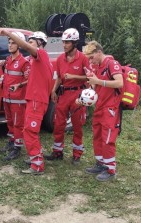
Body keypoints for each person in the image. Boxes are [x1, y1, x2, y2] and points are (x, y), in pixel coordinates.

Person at [0, 27, 53, 175]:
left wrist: (7, 33)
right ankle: (35, 158)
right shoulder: (34, 60)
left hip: (37, 100)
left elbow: (26, 48)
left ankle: (37, 165)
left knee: (29, 131)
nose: (28, 44)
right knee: (29, 131)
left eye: (31, 42)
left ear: (39, 44)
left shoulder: (42, 54)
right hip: (33, 99)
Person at [45, 28, 90, 165]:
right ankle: (57, 152)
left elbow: (89, 77)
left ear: (74, 43)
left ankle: (77, 154)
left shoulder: (82, 58)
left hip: (77, 94)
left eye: (67, 42)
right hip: (63, 94)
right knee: (58, 124)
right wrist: (53, 90)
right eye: (63, 42)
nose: (64, 45)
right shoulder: (60, 59)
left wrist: (74, 76)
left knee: (77, 125)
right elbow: (59, 77)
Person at [80, 40, 123, 181]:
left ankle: (110, 169)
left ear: (99, 52)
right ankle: (100, 163)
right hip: (99, 107)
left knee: (107, 139)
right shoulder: (96, 66)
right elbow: (94, 88)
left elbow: (119, 82)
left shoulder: (112, 63)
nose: (90, 61)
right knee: (97, 136)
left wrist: (99, 81)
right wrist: (84, 97)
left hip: (110, 108)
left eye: (91, 57)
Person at [0, 32, 30, 161]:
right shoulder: (7, 60)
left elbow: (30, 80)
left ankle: (17, 147)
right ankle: (12, 141)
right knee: (10, 122)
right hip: (7, 97)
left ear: (19, 45)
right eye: (9, 42)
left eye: (13, 43)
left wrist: (19, 85)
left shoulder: (24, 62)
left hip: (18, 99)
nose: (10, 45)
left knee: (18, 123)